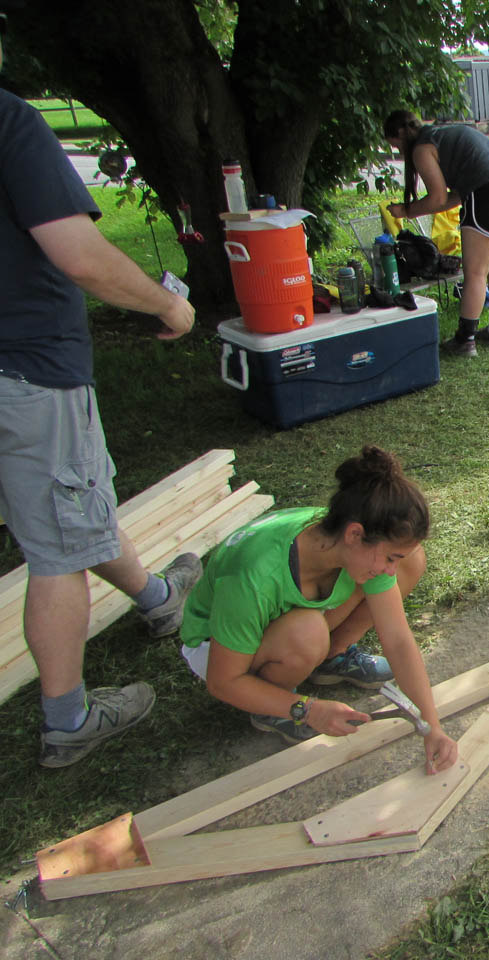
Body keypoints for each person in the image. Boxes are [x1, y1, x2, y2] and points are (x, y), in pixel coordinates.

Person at [0, 16, 203, 768]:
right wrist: (168, 304)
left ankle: (157, 599)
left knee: (67, 506)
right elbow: (79, 256)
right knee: (57, 545)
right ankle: (69, 720)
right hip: (27, 368)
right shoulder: (9, 122)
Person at [178, 446, 459, 774]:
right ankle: (273, 704)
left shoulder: (347, 540)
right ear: (355, 534)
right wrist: (307, 709)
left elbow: (397, 639)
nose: (390, 570)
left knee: (411, 561)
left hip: (283, 619)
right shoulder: (253, 575)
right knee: (307, 633)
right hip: (215, 648)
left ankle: (329, 657)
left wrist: (432, 725)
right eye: (389, 558)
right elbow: (223, 681)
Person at [383, 110, 489, 357]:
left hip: (488, 188)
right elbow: (455, 196)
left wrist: (406, 211)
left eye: (395, 145)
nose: (398, 151)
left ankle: (465, 340)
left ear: (401, 134)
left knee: (476, 271)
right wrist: (411, 210)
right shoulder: (443, 134)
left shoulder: (422, 148)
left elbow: (438, 199)